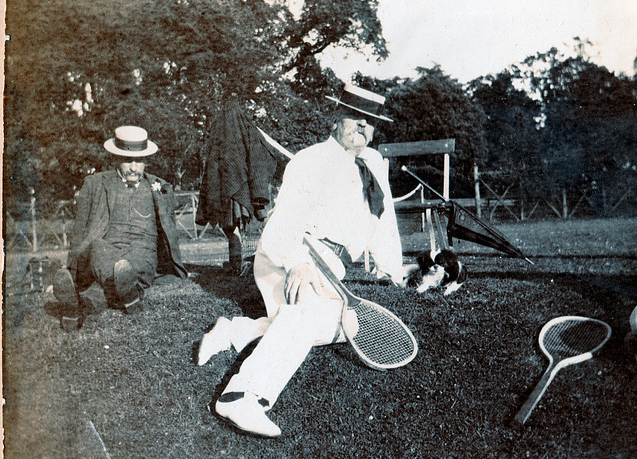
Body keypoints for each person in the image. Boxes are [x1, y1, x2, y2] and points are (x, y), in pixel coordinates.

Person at [197, 83, 406, 437]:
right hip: (291, 254)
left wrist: (392, 269)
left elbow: (383, 221)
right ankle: (242, 394)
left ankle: (238, 330)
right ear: (336, 120)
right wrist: (296, 263)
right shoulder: (311, 160)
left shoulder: (372, 163)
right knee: (304, 314)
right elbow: (285, 222)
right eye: (355, 119)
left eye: (369, 123)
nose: (362, 128)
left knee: (348, 327)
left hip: (333, 268)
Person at [53, 125, 188, 330]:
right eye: (128, 160)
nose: (134, 167)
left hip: (142, 255)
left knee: (119, 274)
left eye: (139, 161)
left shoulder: (161, 187)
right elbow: (79, 231)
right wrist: (72, 271)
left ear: (146, 160)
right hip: (105, 254)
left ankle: (76, 308)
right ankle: (130, 295)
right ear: (116, 158)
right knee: (98, 247)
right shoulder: (95, 184)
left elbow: (169, 230)